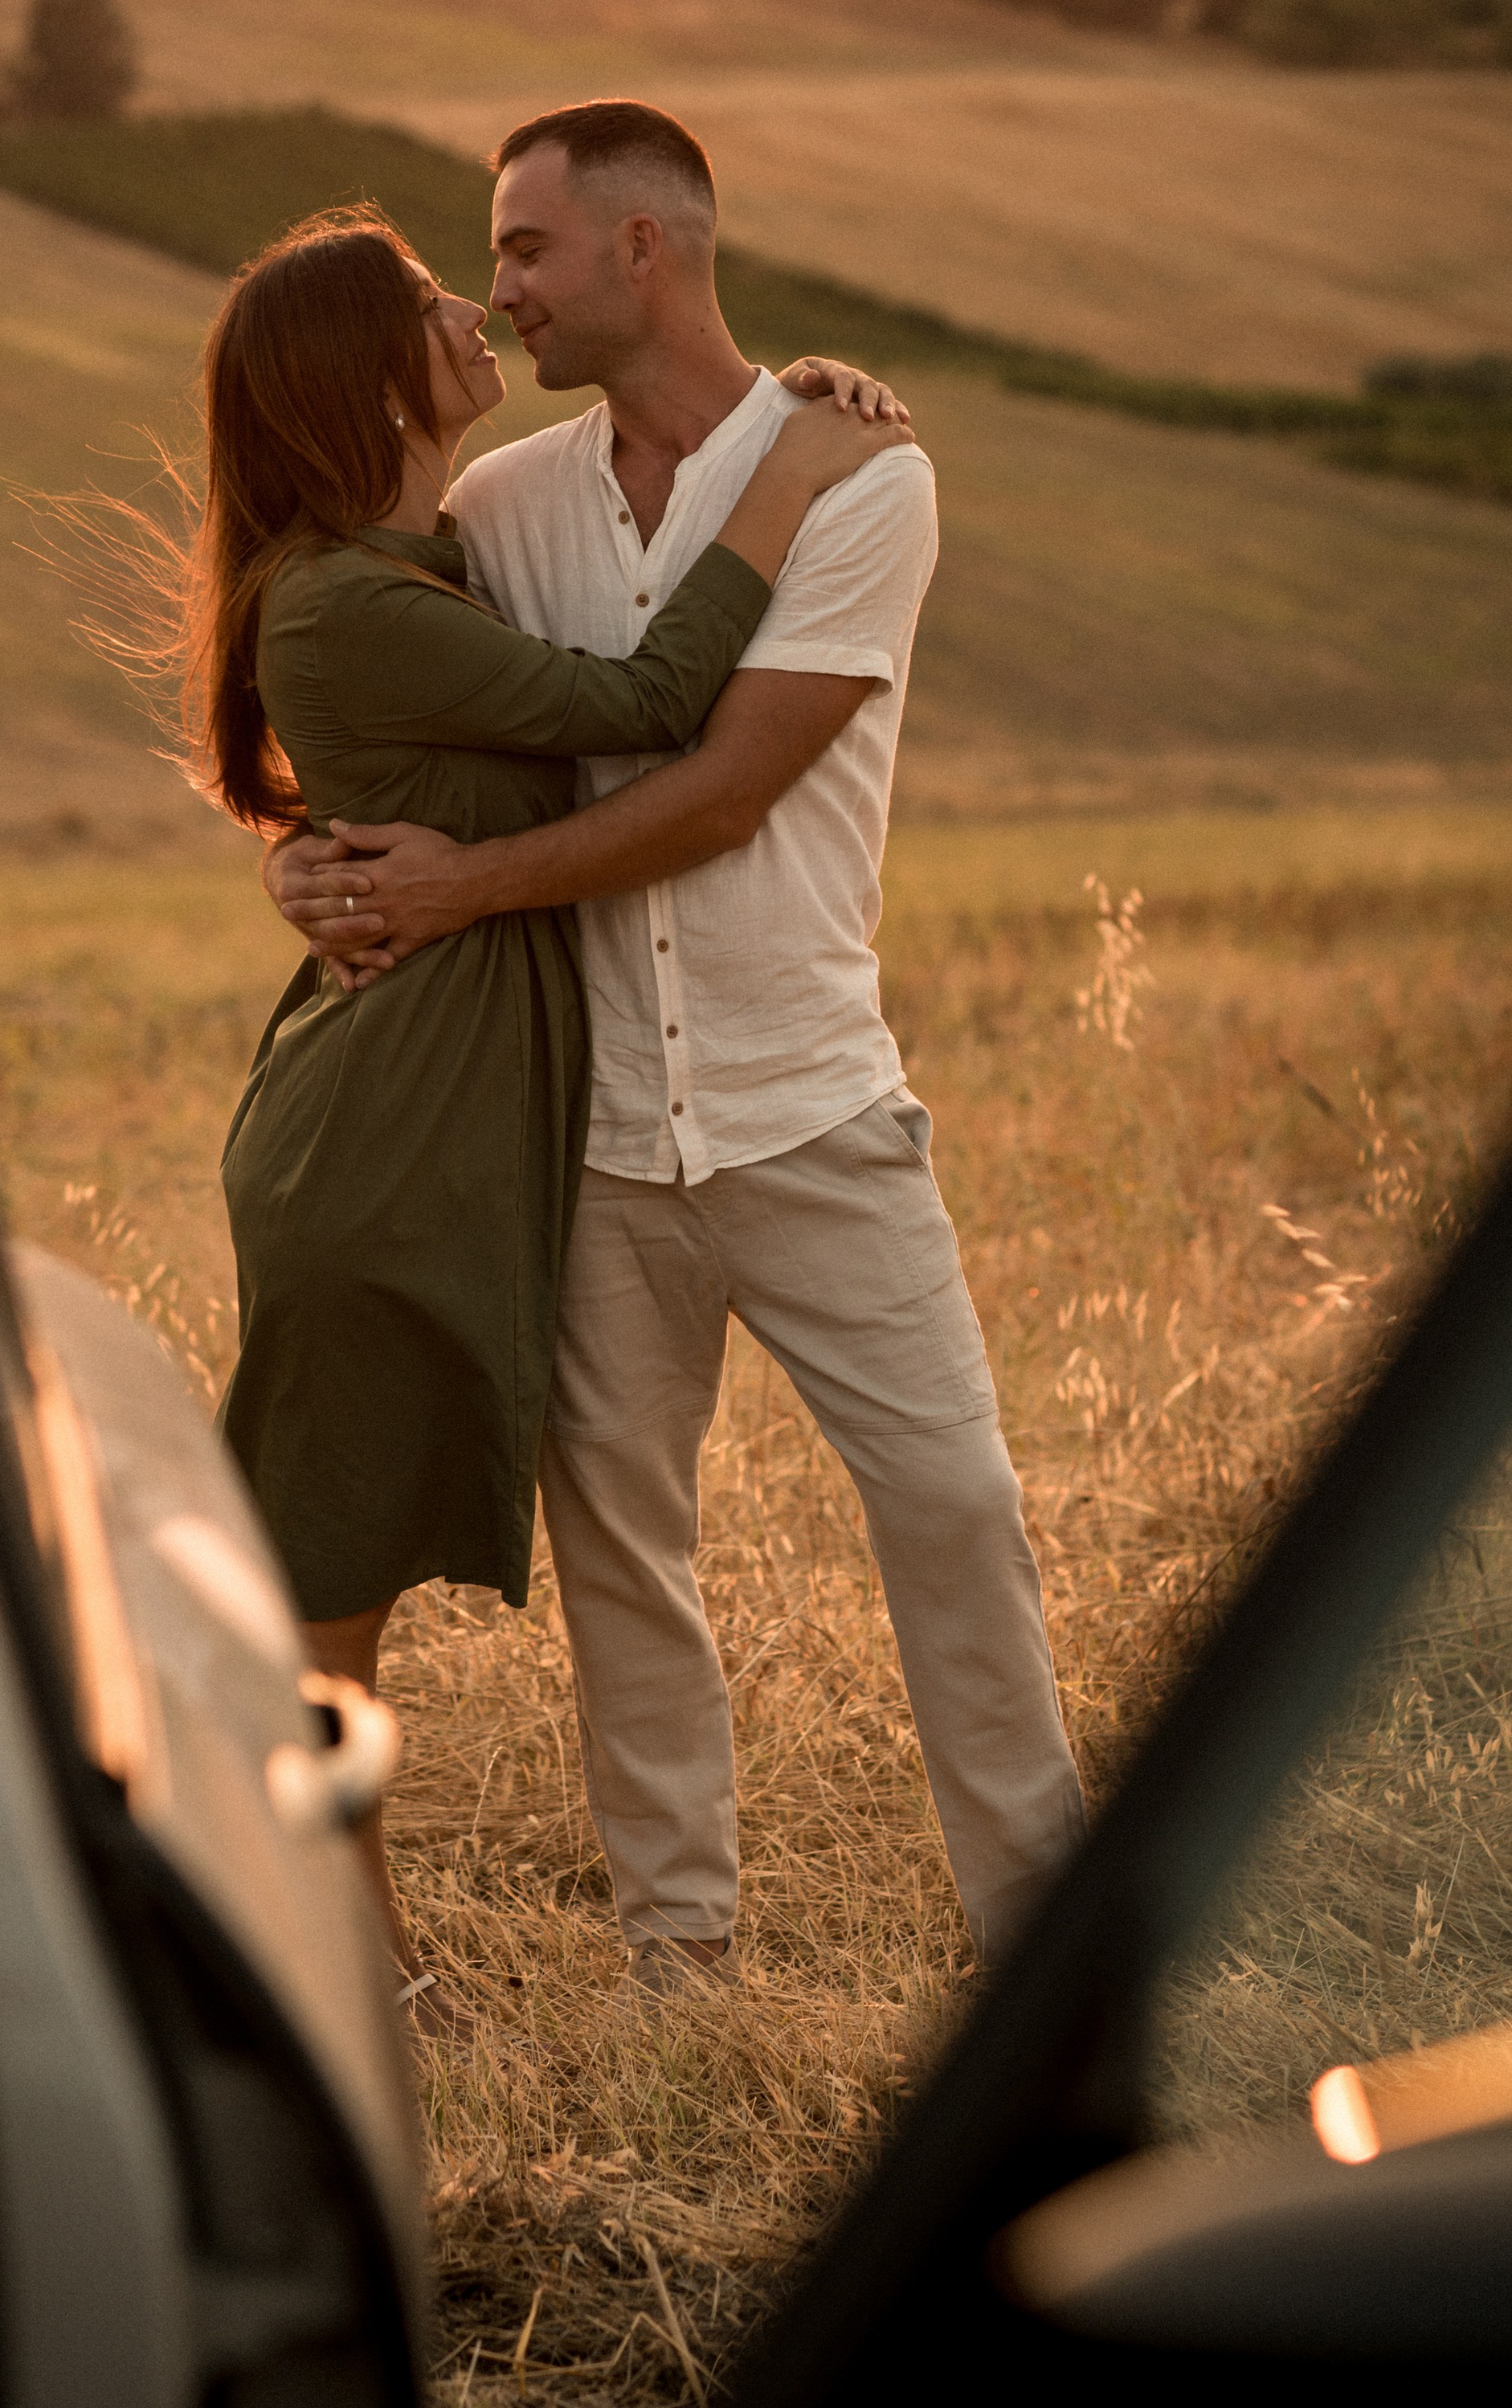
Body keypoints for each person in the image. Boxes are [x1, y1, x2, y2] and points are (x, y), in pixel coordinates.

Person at [269, 100, 1085, 1991]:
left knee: (955, 1509)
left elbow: (721, 787)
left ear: (645, 249)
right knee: (626, 1564)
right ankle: (677, 1963)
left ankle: (1046, 1955)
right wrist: (314, 874)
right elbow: (397, 737)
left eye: (527, 250)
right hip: (590, 1128)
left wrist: (461, 890)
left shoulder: (862, 478)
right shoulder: (493, 511)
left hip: (814, 1105)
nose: (498, 291)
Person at [190, 204, 907, 2009]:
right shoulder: (349, 599)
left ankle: (338, 1952)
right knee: (320, 1597)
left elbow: (425, 791)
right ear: (366, 367)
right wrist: (798, 472)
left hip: (435, 1120)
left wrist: (772, 403)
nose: (468, 304)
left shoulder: (417, 565)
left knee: (346, 1575)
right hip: (383, 1147)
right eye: (430, 294)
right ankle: (317, 1964)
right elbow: (662, 699)